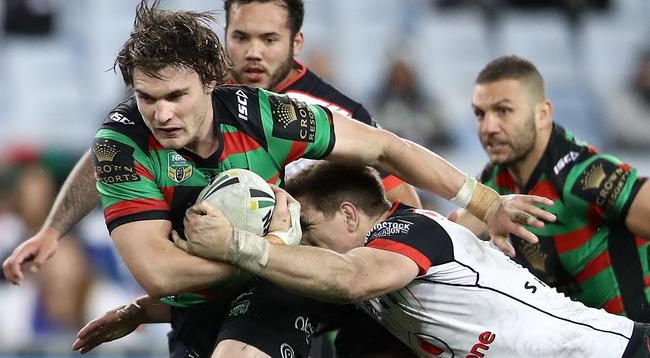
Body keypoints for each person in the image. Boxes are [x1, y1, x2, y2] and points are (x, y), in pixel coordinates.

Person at [25, 0, 555, 357]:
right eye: (147, 99)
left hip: (287, 284)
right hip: (200, 303)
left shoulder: (271, 113)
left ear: (211, 83)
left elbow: (389, 154)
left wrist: (487, 206)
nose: (160, 114)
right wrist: (59, 231)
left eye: (175, 98)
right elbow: (161, 272)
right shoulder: (120, 145)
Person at [2, 0, 420, 287]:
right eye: (241, 37)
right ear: (225, 39)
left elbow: (400, 204)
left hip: (309, 283)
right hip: (203, 285)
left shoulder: (333, 112)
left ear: (295, 43)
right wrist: (55, 229)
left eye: (268, 39)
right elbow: (109, 153)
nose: (253, 53)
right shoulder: (188, 89)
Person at [88, 161, 647, 358]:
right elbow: (295, 290)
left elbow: (351, 277)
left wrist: (240, 245)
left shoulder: (413, 228)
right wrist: (145, 310)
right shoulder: (375, 279)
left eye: (308, 227)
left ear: (352, 216)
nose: (302, 242)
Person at [450, 55, 650, 322]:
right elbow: (453, 235)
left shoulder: (583, 178)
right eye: (480, 114)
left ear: (542, 114)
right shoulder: (496, 181)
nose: (488, 128)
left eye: (503, 111)